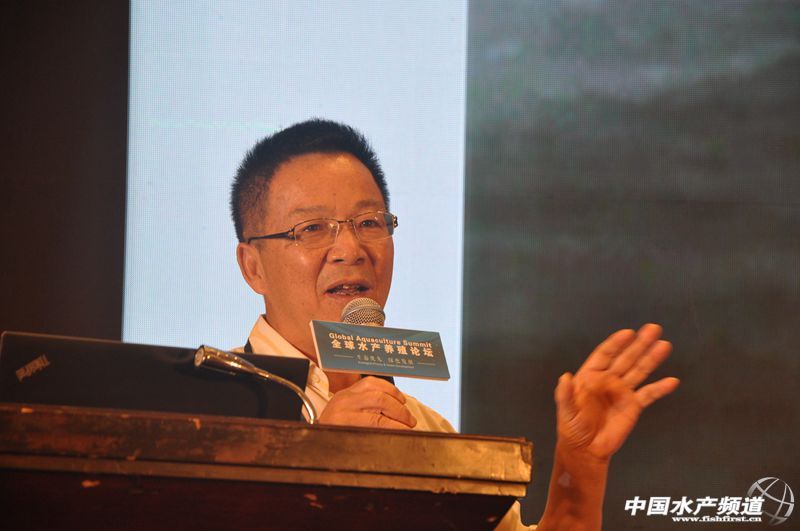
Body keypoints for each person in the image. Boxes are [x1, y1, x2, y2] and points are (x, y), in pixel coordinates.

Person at [230, 119, 680, 530]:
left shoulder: (427, 429)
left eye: (369, 222)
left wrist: (578, 467)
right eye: (311, 229)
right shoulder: (207, 412)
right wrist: (318, 463)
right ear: (253, 267)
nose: (350, 249)